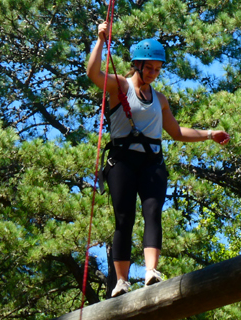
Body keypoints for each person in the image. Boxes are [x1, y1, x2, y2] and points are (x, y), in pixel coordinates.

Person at [86, 22, 231, 297]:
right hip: (122, 162)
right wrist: (100, 41)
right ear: (137, 65)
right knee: (124, 218)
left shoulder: (160, 99)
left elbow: (176, 132)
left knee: (152, 212)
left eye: (157, 69)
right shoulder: (120, 86)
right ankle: (121, 281)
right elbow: (93, 73)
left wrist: (210, 134)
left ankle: (151, 272)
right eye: (149, 68)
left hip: (152, 164)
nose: (154, 73)